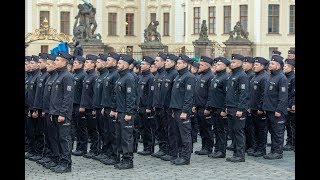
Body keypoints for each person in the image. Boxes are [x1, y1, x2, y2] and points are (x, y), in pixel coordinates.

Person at [49, 51, 74, 173]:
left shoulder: (67, 76)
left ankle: (66, 164)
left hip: (62, 114)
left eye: (58, 60)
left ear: (64, 62)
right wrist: (52, 112)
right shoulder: (57, 75)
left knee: (64, 139)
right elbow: (54, 97)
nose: (55, 62)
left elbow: (67, 97)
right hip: (55, 113)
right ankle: (60, 161)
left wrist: (62, 113)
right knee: (58, 138)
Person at [169, 54, 196, 165]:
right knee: (178, 135)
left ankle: (185, 157)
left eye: (179, 63)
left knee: (185, 135)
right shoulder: (178, 76)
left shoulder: (189, 77)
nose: (177, 65)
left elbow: (188, 96)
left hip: (182, 110)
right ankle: (180, 155)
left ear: (185, 64)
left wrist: (185, 111)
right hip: (176, 109)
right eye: (177, 63)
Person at [262, 55, 288, 160]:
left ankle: (278, 152)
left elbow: (283, 96)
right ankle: (273, 150)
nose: (269, 65)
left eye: (272, 64)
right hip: (269, 109)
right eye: (270, 63)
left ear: (278, 65)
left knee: (278, 132)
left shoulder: (282, 78)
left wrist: (279, 110)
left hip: (276, 111)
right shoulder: (271, 76)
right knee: (272, 132)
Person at [225, 54, 249, 163]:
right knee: (233, 131)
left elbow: (244, 94)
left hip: (237, 108)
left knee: (238, 132)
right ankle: (235, 153)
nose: (231, 63)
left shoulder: (242, 76)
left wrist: (240, 109)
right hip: (230, 107)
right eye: (232, 62)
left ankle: (240, 155)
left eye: (234, 62)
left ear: (239, 63)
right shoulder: (232, 75)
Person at [114, 54, 136, 169]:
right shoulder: (120, 77)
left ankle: (128, 160)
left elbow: (131, 97)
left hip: (126, 113)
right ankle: (123, 158)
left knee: (127, 138)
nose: (118, 65)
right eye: (118, 63)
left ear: (127, 65)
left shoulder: (129, 78)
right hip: (120, 111)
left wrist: (129, 113)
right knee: (120, 137)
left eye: (120, 63)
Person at [205, 56, 230, 158]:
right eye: (215, 65)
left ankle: (221, 150)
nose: (216, 66)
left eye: (219, 64)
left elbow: (227, 95)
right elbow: (211, 94)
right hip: (214, 107)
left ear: (224, 66)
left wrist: (224, 109)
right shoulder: (216, 77)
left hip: (220, 108)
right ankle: (217, 148)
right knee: (216, 129)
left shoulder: (225, 77)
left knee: (221, 130)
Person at [99, 52, 120, 165]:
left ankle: (115, 155)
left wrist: (114, 108)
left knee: (113, 133)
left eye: (109, 60)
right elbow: (105, 93)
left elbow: (115, 94)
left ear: (115, 62)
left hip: (112, 108)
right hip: (106, 107)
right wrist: (104, 106)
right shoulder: (108, 74)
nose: (106, 62)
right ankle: (108, 153)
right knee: (107, 132)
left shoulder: (115, 74)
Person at [247, 57, 269, 157]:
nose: (254, 66)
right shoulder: (255, 77)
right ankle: (256, 147)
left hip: (259, 109)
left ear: (262, 66)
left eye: (256, 65)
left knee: (261, 130)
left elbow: (264, 94)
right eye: (254, 65)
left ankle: (261, 149)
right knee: (254, 129)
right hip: (253, 108)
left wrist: (261, 107)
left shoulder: (264, 77)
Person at [159, 54, 179, 162]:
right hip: (164, 106)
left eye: (167, 61)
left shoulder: (174, 74)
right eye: (165, 61)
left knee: (172, 131)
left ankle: (173, 152)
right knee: (166, 129)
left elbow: (173, 94)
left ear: (173, 63)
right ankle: (168, 150)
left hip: (170, 107)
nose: (165, 63)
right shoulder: (166, 74)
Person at [194, 56, 215, 156]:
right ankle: (204, 146)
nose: (199, 66)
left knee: (207, 128)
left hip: (205, 107)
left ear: (207, 66)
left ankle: (209, 147)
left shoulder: (210, 76)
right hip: (198, 106)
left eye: (202, 65)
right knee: (201, 128)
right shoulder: (200, 75)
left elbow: (211, 94)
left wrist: (208, 108)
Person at [41, 54, 59, 169]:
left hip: (55, 112)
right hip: (48, 110)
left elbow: (64, 98)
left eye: (49, 64)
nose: (46, 66)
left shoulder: (60, 76)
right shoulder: (50, 76)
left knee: (57, 137)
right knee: (49, 136)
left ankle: (58, 159)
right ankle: (52, 156)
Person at [80, 54, 99, 159]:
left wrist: (94, 108)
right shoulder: (87, 76)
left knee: (94, 130)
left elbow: (95, 94)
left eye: (87, 62)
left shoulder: (94, 77)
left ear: (93, 64)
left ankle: (95, 149)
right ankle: (92, 148)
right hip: (86, 107)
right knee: (89, 130)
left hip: (91, 108)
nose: (85, 64)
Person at [32, 53, 50, 164]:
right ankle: (41, 152)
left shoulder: (47, 75)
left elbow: (45, 95)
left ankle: (45, 153)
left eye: (40, 62)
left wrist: (43, 109)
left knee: (45, 134)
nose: (39, 64)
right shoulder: (40, 75)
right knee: (38, 132)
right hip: (38, 108)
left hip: (44, 109)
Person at [92, 54, 110, 161]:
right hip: (98, 107)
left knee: (106, 132)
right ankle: (103, 151)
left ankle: (107, 152)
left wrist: (103, 106)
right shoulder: (100, 76)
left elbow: (106, 94)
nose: (96, 64)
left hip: (103, 108)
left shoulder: (106, 76)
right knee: (100, 130)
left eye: (98, 62)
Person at [136, 56, 155, 156]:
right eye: (141, 64)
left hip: (146, 107)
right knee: (142, 128)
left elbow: (151, 94)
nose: (141, 65)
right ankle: (145, 146)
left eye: (143, 64)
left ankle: (149, 147)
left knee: (148, 129)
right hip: (140, 106)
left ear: (148, 66)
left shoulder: (151, 78)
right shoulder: (141, 77)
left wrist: (149, 107)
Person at [25, 55, 42, 161]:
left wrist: (34, 109)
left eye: (32, 63)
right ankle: (32, 150)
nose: (29, 65)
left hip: (34, 108)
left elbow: (38, 95)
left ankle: (38, 151)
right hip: (29, 107)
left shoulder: (38, 76)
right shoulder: (30, 76)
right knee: (30, 131)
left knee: (37, 132)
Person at [151, 52, 168, 158]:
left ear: (163, 62)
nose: (155, 62)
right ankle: (162, 147)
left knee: (166, 129)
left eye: (157, 61)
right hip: (156, 106)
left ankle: (167, 148)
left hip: (163, 106)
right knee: (159, 129)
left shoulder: (166, 74)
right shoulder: (157, 74)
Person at [70, 55, 87, 156]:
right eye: (74, 63)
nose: (74, 64)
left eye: (76, 63)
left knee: (81, 127)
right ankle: (77, 147)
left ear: (81, 64)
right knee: (75, 127)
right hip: (73, 103)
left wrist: (82, 105)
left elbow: (84, 92)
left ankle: (82, 148)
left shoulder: (83, 75)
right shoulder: (74, 74)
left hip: (79, 104)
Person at [242, 56, 255, 154]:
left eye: (246, 63)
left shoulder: (251, 75)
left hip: (249, 105)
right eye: (243, 63)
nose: (244, 65)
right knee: (245, 127)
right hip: (245, 105)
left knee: (250, 128)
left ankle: (251, 145)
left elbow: (250, 93)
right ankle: (246, 145)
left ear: (251, 65)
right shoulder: (244, 74)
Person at [283, 58, 295, 151]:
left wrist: (290, 105)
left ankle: (291, 142)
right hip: (285, 104)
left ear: (291, 68)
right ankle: (289, 141)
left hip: (290, 105)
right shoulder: (284, 77)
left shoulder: (293, 78)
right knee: (287, 124)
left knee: (291, 125)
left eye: (286, 66)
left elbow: (292, 93)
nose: (284, 67)